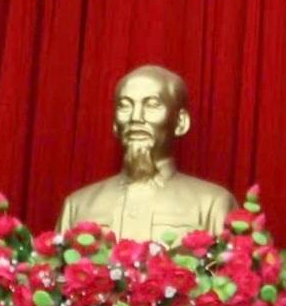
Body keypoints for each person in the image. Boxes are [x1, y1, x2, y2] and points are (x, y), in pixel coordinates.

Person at [57, 64, 239, 241]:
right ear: (114, 124)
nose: (136, 117)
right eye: (125, 105)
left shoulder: (213, 204)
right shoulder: (77, 205)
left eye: (152, 105)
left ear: (180, 122)